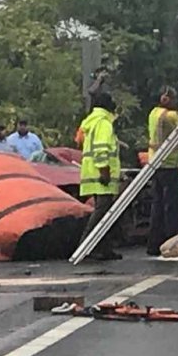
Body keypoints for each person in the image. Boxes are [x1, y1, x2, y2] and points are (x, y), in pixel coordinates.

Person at [146, 86, 178, 256]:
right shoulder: (170, 116)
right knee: (173, 206)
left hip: (156, 165)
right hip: (170, 165)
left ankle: (154, 244)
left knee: (158, 205)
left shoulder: (155, 113)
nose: (175, 102)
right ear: (165, 98)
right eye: (173, 99)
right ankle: (172, 242)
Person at [79, 92, 122, 261]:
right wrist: (104, 171)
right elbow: (101, 149)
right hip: (101, 175)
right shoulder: (104, 124)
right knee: (102, 213)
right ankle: (86, 247)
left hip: (92, 173)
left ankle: (104, 249)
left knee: (104, 214)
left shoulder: (91, 122)